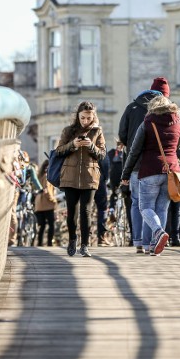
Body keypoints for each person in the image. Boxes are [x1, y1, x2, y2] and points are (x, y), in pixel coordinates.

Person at [121, 96, 180, 256]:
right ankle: (152, 246)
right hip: (171, 170)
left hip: (150, 169)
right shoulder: (177, 121)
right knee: (161, 208)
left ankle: (158, 232)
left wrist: (126, 173)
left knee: (145, 207)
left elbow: (134, 150)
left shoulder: (148, 122)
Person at [118, 77, 170, 253]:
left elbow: (122, 136)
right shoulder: (169, 113)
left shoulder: (131, 108)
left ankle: (139, 242)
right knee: (158, 206)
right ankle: (151, 243)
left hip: (136, 165)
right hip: (162, 165)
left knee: (137, 203)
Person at [56, 101, 106, 257]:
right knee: (72, 212)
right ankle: (72, 240)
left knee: (86, 211)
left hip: (89, 176)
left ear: (93, 116)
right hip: (70, 176)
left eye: (89, 118)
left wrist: (91, 146)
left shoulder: (97, 131)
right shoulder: (68, 131)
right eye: (83, 117)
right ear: (78, 116)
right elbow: (58, 151)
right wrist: (73, 145)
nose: (86, 121)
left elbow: (102, 154)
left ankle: (85, 245)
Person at [35, 160, 58, 246]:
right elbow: (47, 191)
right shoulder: (47, 177)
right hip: (47, 204)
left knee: (42, 226)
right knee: (51, 225)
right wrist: (54, 200)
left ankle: (40, 243)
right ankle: (49, 244)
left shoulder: (39, 176)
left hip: (39, 204)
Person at [94, 154, 111, 246]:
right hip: (98, 178)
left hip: (82, 180)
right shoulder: (99, 140)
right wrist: (105, 178)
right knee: (102, 208)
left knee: (85, 208)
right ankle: (101, 237)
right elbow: (105, 162)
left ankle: (85, 238)